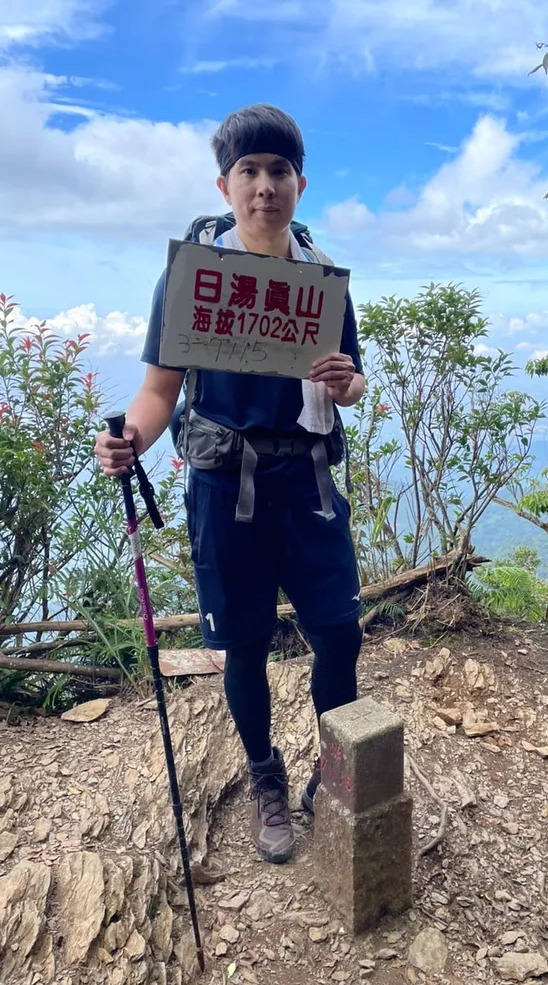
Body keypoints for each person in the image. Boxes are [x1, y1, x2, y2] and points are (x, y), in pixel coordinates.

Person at [95, 104, 365, 865]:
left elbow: (349, 380)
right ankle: (265, 775)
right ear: (225, 183)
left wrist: (349, 386)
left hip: (307, 478)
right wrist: (130, 440)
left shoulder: (320, 279)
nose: (264, 186)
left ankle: (332, 767)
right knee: (244, 645)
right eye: (249, 171)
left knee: (340, 631)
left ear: (299, 184)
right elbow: (158, 390)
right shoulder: (193, 275)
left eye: (278, 171)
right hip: (226, 484)